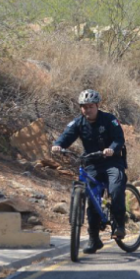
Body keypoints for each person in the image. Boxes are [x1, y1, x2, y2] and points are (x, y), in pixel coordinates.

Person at [52, 89, 128, 254]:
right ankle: (94, 239)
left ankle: (120, 225)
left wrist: (112, 149)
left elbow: (119, 139)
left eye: (90, 107)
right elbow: (66, 135)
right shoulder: (79, 123)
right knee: (92, 199)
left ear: (97, 106)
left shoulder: (109, 119)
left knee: (115, 189)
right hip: (92, 164)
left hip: (112, 162)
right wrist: (58, 145)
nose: (87, 110)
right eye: (84, 107)